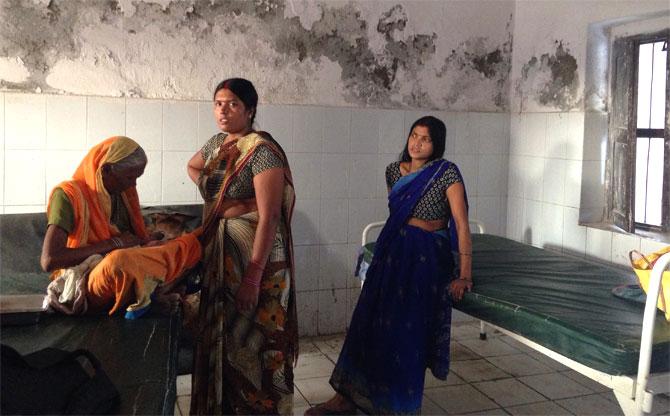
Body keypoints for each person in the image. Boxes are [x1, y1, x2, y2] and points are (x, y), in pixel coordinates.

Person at [305, 116, 473, 415]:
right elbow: (399, 215)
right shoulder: (394, 172)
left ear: (437, 144)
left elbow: (460, 223)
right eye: (414, 135)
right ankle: (348, 397)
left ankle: (400, 407)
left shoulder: (446, 173)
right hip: (393, 253)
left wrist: (464, 274)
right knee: (367, 323)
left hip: (426, 258)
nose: (417, 143)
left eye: (425, 138)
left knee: (408, 332)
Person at [187, 78, 298, 415]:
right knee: (223, 336)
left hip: (259, 265)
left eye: (233, 103)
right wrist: (219, 199)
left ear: (250, 110)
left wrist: (252, 277)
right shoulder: (217, 144)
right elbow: (192, 167)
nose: (223, 109)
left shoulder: (262, 151)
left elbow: (269, 217)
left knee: (259, 340)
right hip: (221, 259)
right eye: (218, 102)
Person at [41, 136, 202, 317]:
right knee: (119, 262)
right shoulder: (68, 195)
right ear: (107, 169)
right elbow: (49, 260)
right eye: (130, 177)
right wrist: (115, 243)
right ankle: (151, 292)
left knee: (189, 243)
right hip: (88, 277)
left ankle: (148, 292)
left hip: (127, 262)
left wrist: (148, 242)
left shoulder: (122, 195)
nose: (133, 184)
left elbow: (133, 243)